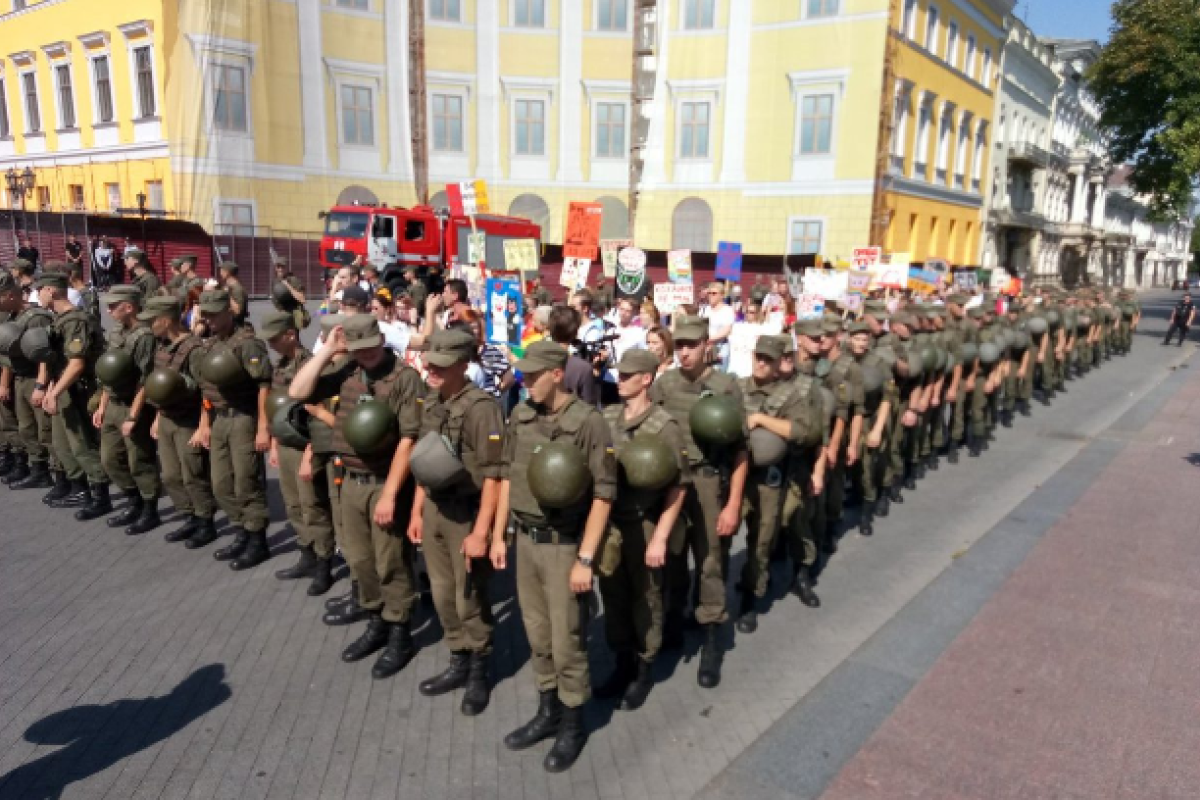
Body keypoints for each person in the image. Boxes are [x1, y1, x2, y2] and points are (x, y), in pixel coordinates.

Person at [489, 340, 615, 772]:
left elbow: (603, 494)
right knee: (538, 635)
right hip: (525, 541)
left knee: (568, 641)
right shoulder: (522, 415)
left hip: (564, 546)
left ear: (557, 374)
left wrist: (585, 559)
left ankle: (574, 722)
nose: (523, 382)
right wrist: (498, 533)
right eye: (521, 375)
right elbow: (507, 476)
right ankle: (548, 711)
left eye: (532, 376)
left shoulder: (587, 423)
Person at [290, 315, 425, 679]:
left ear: (381, 340)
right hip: (349, 480)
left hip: (383, 481)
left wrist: (391, 495)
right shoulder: (347, 370)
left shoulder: (404, 379)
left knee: (390, 561)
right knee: (360, 560)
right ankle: (375, 620)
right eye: (358, 348)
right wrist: (328, 352)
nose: (365, 355)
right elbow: (299, 392)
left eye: (370, 347)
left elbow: (409, 440)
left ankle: (400, 632)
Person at [408, 328, 504, 715]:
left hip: (467, 512)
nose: (431, 368)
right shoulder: (431, 400)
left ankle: (480, 669)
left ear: (464, 365)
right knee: (443, 593)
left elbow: (496, 474)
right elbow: (424, 462)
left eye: (441, 364)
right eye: (430, 361)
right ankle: (458, 658)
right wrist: (416, 510)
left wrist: (482, 532)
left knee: (469, 595)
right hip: (434, 507)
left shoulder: (482, 408)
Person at [650, 314, 748, 688]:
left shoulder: (726, 387)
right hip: (673, 483)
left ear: (708, 347)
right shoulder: (666, 384)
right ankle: (673, 626)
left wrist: (733, 504)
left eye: (692, 346)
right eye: (680, 346)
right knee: (672, 558)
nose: (685, 353)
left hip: (708, 483)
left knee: (710, 561)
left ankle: (711, 637)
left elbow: (741, 450)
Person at [596, 348, 690, 710]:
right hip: (612, 523)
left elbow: (679, 485)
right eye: (617, 375)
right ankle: (621, 662)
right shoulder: (609, 418)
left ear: (646, 379)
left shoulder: (664, 426)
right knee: (614, 595)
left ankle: (644, 668)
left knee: (646, 598)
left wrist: (662, 537)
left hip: (645, 524)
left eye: (625, 376)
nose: (618, 380)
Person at [737, 334, 822, 632]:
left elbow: (804, 431)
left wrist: (761, 419)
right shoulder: (736, 388)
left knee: (763, 537)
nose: (761, 363)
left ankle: (752, 596)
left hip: (771, 477)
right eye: (758, 357)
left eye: (768, 359)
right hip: (736, 475)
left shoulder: (791, 395)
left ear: (778, 364)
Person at [193, 289, 273, 569]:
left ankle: (257, 539)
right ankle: (240, 529)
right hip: (219, 419)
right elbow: (207, 386)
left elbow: (264, 385)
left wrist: (264, 427)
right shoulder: (211, 344)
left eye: (215, 315)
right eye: (206, 316)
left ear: (230, 312)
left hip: (243, 418)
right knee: (221, 483)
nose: (210, 321)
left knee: (246, 481)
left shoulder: (248, 344)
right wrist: (205, 422)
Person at [262, 311, 336, 596]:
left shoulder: (310, 365)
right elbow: (276, 409)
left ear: (290, 335)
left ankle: (323, 564)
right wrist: (274, 443)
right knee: (293, 503)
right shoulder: (280, 365)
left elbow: (316, 413)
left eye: (274, 339)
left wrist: (310, 452)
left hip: (307, 445)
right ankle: (306, 554)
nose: (270, 344)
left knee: (313, 506)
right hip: (286, 444)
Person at [80, 285, 162, 533]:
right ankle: (133, 501)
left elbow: (144, 380)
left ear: (129, 306)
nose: (109, 310)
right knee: (109, 459)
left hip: (132, 405)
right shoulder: (116, 331)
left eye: (114, 306)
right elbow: (108, 373)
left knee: (140, 460)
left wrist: (133, 416)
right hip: (113, 403)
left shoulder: (144, 336)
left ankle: (150, 510)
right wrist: (102, 406)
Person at [141, 295, 218, 546]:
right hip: (167, 418)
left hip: (188, 421)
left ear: (165, 320)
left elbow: (208, 390)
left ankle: (205, 521)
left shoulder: (194, 350)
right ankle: (189, 516)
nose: (149, 325)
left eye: (152, 320)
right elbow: (158, 388)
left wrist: (204, 425)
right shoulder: (163, 348)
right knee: (171, 475)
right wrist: (156, 417)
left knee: (193, 474)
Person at [37, 272, 108, 512]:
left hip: (77, 389)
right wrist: (49, 388)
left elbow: (76, 364)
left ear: (52, 291)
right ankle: (79, 489)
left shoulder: (76, 320)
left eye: (41, 290)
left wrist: (55, 392)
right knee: (62, 443)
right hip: (62, 387)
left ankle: (100, 496)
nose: (38, 296)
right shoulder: (59, 320)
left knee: (81, 443)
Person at [4, 274, 56, 490]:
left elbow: (46, 355)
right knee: (26, 429)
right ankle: (38, 470)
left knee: (45, 431)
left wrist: (41, 386)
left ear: (9, 295)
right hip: (21, 377)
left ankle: (61, 476)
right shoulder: (12, 317)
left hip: (35, 379)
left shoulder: (36, 317)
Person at [0, 272, 28, 481]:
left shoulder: (6, 314)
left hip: (6, 372)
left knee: (9, 420)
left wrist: (4, 383)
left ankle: (20, 461)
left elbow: (8, 353)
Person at [698, 282, 735, 371]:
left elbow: (727, 330)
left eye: (714, 293)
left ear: (722, 295)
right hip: (705, 348)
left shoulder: (727, 310)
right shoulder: (704, 309)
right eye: (709, 293)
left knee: (718, 377)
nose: (711, 295)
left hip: (720, 348)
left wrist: (710, 339)